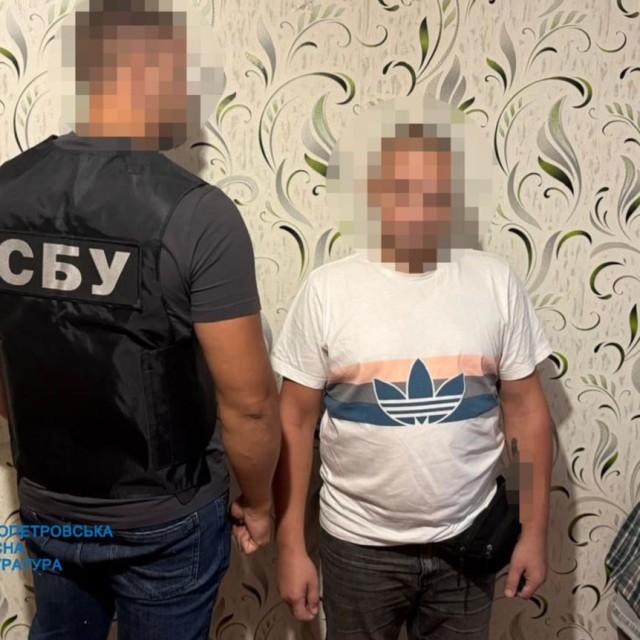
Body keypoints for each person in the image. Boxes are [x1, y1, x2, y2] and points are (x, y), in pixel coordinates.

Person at [0, 2, 281, 639]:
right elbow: (250, 406)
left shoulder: (6, 192)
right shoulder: (199, 213)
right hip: (163, 518)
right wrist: (259, 501)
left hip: (49, 501)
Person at [271, 98, 553, 639]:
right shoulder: (328, 290)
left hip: (470, 540)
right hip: (358, 548)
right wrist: (290, 547)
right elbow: (293, 423)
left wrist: (534, 532)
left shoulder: (494, 283)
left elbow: (527, 416)